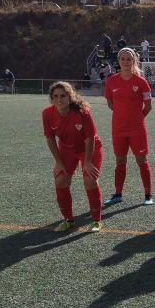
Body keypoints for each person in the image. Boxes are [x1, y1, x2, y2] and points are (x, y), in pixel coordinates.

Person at [43, 81, 104, 232]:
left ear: (70, 97)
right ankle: (68, 220)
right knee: (61, 179)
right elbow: (50, 139)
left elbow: (89, 139)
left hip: (89, 148)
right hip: (66, 149)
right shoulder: (47, 114)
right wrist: (58, 162)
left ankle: (97, 221)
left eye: (63, 96)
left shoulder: (83, 111)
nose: (59, 99)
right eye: (55, 96)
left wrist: (88, 162)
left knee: (90, 179)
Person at [103, 47, 154, 206]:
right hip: (118, 129)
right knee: (119, 161)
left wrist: (137, 119)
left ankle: (148, 195)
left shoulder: (141, 82)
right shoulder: (111, 81)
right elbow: (111, 104)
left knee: (142, 161)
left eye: (128, 59)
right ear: (118, 61)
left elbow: (148, 106)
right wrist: (123, 117)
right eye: (122, 59)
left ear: (134, 61)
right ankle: (118, 194)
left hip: (137, 129)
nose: (125, 61)